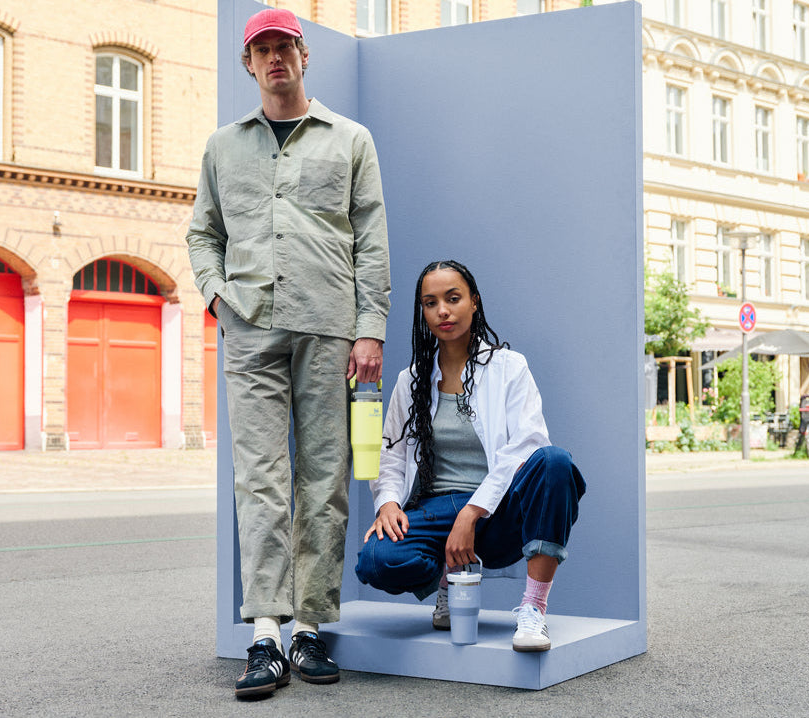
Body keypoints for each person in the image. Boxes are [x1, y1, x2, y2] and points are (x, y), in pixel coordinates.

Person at [185, 7, 391, 699]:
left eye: (285, 48)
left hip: (329, 325)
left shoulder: (350, 139)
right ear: (248, 64)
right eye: (262, 50)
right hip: (250, 329)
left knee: (324, 479)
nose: (275, 59)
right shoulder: (222, 146)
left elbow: (371, 237)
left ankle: (310, 628)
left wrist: (371, 328)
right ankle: (265, 636)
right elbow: (201, 235)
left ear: (305, 57)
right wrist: (217, 296)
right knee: (261, 481)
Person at [354, 260, 585, 652]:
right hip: (434, 509)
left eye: (453, 298)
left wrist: (472, 511)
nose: (442, 310)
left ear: (473, 303)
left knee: (554, 462)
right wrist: (388, 503)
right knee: (376, 561)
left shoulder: (509, 367)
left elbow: (528, 443)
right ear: (423, 312)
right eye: (430, 302)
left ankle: (532, 609)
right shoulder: (410, 381)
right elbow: (391, 451)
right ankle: (449, 575)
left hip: (494, 512)